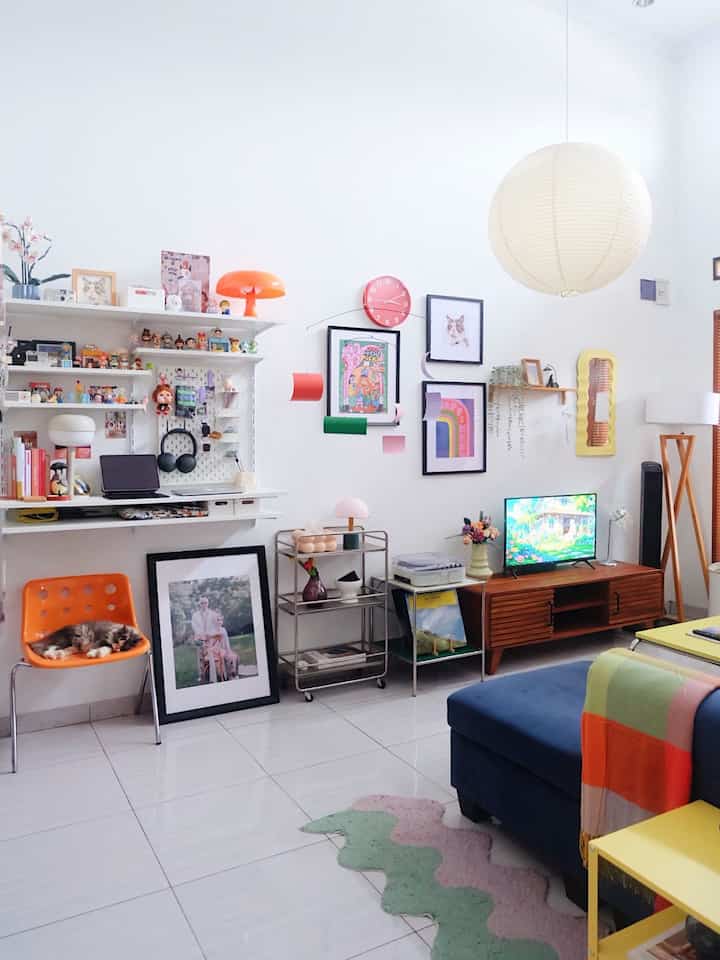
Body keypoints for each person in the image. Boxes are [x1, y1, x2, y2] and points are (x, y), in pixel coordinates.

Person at [191, 596, 221, 682]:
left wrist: (209, 634)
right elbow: (194, 626)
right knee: (200, 657)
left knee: (210, 655)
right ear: (199, 604)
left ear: (208, 603)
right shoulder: (195, 615)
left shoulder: (213, 614)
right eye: (202, 603)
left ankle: (213, 675)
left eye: (205, 603)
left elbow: (216, 626)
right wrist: (201, 635)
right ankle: (201, 674)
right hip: (199, 637)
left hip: (210, 638)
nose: (204, 604)